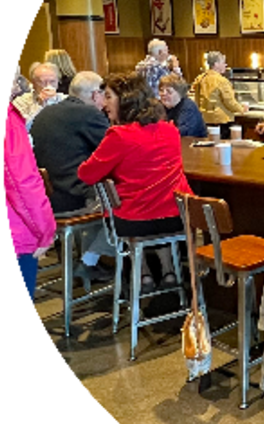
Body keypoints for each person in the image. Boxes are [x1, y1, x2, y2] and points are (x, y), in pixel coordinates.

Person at [78, 73, 193, 291]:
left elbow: (87, 174)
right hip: (176, 218)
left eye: (109, 97)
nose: (103, 104)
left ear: (126, 99)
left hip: (134, 222)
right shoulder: (170, 130)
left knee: (133, 211)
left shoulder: (119, 135)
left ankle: (144, 275)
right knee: (158, 200)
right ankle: (168, 271)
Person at [4, 65, 56, 303]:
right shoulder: (8, 121)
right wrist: (45, 230)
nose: (18, 87)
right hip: (15, 228)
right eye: (15, 81)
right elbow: (21, 181)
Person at [31, 71, 109, 215]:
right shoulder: (89, 114)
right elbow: (113, 150)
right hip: (79, 198)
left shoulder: (43, 114)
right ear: (95, 94)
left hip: (49, 199)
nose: (105, 103)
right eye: (105, 96)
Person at [191, 52, 243, 137]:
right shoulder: (222, 81)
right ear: (216, 64)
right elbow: (229, 102)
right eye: (223, 62)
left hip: (205, 119)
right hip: (222, 120)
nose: (225, 65)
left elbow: (195, 98)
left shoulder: (200, 79)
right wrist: (241, 109)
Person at [12, 62, 67, 130]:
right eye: (42, 82)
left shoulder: (65, 100)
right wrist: (39, 106)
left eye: (52, 81)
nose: (48, 86)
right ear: (33, 84)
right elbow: (22, 129)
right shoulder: (21, 102)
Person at [159, 74, 207, 138]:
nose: (163, 94)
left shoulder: (188, 107)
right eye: (161, 90)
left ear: (179, 93)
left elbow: (183, 132)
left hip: (192, 145)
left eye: (169, 91)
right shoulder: (159, 107)